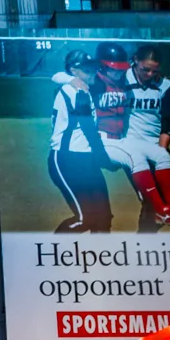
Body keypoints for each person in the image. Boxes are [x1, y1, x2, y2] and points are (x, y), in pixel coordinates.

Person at [99, 48, 170, 227]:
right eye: (145, 69)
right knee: (151, 202)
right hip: (129, 144)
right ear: (135, 60)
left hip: (155, 144)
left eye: (155, 71)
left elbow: (167, 123)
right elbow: (95, 78)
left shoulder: (165, 86)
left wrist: (162, 148)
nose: (150, 74)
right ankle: (145, 242)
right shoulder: (122, 78)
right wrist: (68, 78)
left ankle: (163, 222)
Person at [48, 52, 113, 234]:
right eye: (87, 69)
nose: (93, 72)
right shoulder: (76, 90)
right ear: (74, 71)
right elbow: (88, 129)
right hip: (66, 159)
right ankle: (52, 253)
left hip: (86, 159)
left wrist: (69, 78)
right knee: (87, 218)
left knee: (103, 218)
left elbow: (57, 76)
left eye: (93, 67)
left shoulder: (82, 86)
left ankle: (101, 258)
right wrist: (104, 157)